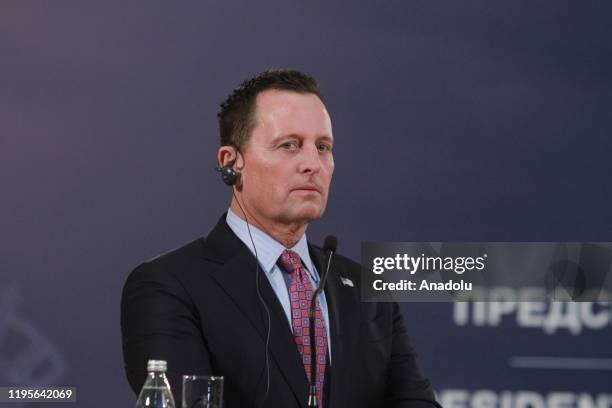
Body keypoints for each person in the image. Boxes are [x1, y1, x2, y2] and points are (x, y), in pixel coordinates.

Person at [121, 69, 440, 408]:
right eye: (289, 145)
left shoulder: (367, 290)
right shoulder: (167, 286)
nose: (312, 164)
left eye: (323, 147)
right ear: (231, 163)